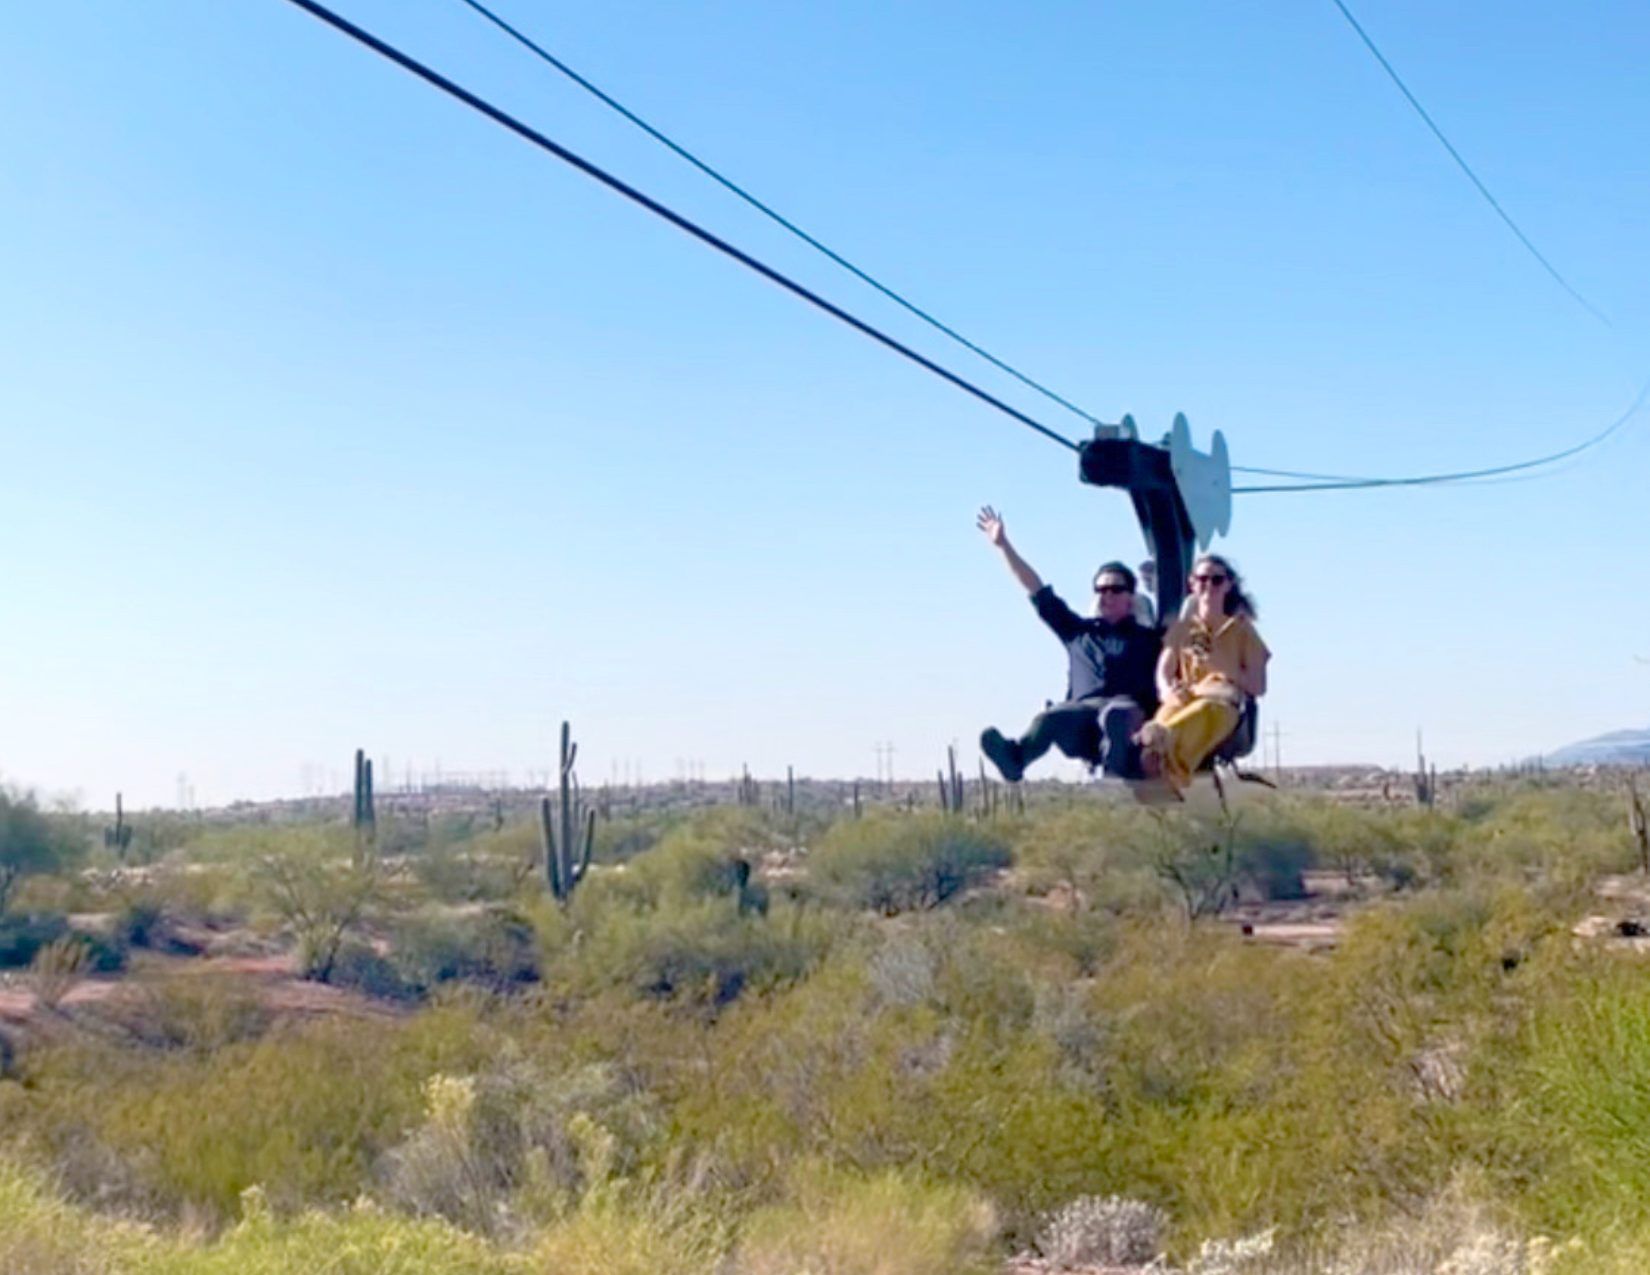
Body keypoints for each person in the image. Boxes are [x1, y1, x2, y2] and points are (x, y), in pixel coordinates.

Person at [975, 506, 1161, 780]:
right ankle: (1015, 759)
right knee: (1051, 717)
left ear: (1130, 597)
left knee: (1117, 714)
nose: (1106, 595)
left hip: (1127, 715)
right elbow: (1035, 588)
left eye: (1115, 589)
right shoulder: (1077, 632)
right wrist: (1003, 546)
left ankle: (1119, 761)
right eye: (1100, 589)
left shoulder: (1149, 638)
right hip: (1083, 718)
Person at [1135, 553, 1269, 796]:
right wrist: (1166, 690)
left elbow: (1258, 686)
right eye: (1202, 579)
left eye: (1216, 580)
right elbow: (1164, 668)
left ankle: (1163, 753)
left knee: (1201, 712)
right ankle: (1156, 761)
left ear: (1228, 585)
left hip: (1221, 701)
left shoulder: (1242, 631)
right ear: (1192, 584)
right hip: (1186, 695)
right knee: (1170, 712)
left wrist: (1224, 668)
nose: (1208, 585)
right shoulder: (1182, 630)